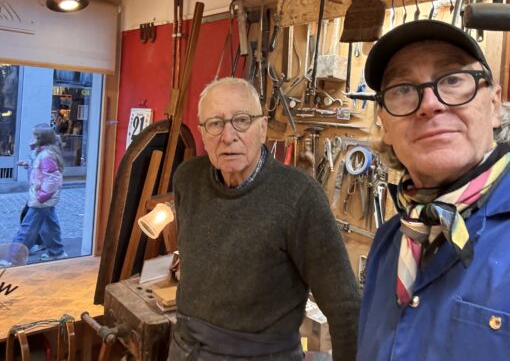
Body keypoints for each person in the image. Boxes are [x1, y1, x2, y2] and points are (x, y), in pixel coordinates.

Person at [168, 77, 360, 361]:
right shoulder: (187, 178)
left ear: (262, 129)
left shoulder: (299, 196)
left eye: (241, 120)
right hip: (186, 350)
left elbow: (345, 307)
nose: (228, 136)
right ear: (203, 134)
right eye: (215, 123)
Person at [357, 20, 510, 361]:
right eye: (403, 89)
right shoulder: (390, 241)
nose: (429, 104)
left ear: (494, 104)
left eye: (453, 79)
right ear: (385, 124)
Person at [0, 124, 67, 268]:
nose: (31, 138)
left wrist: (42, 196)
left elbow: (53, 178)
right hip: (43, 198)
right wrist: (28, 164)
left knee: (27, 228)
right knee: (49, 226)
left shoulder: (46, 155)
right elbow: (41, 170)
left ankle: (12, 258)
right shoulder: (43, 153)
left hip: (41, 199)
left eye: (34, 136)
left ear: (40, 138)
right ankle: (57, 252)